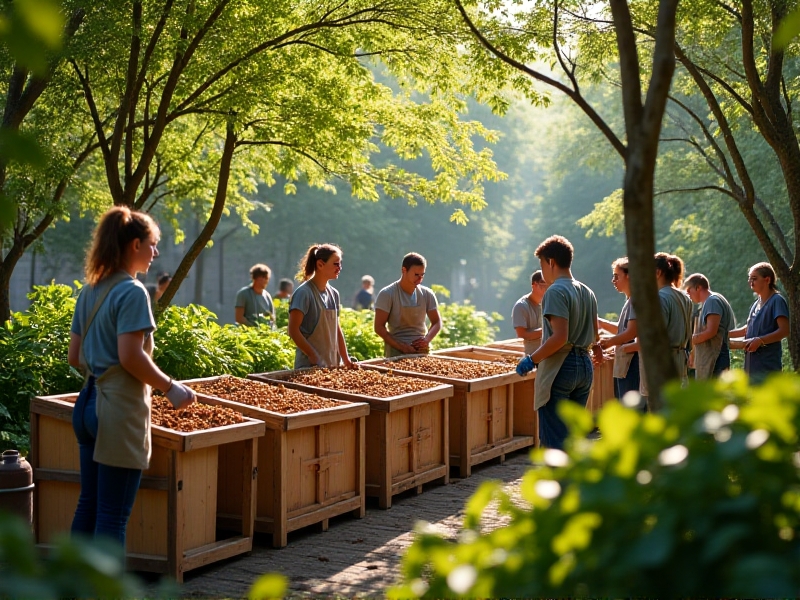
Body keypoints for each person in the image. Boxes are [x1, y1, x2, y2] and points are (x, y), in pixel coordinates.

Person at [67, 206, 195, 550]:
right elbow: (130, 356)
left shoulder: (90, 290)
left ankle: (70, 579)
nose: (156, 252)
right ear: (135, 245)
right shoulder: (133, 292)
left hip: (86, 404)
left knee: (89, 504)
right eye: (152, 244)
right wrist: (170, 387)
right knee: (112, 515)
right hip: (117, 411)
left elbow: (74, 356)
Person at [515, 235, 602, 450]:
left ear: (551, 262)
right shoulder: (588, 292)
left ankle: (557, 472)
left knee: (554, 442)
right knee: (573, 438)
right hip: (585, 366)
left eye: (542, 265)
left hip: (561, 367)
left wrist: (532, 360)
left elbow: (560, 337)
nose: (543, 271)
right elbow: (595, 335)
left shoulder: (555, 291)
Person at [621, 253, 692, 411]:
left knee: (659, 411)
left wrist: (623, 347)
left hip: (660, 364)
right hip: (680, 360)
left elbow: (654, 338)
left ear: (658, 272)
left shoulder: (658, 298)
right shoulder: (684, 297)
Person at [288, 244, 357, 368]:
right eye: (336, 264)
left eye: (340, 264)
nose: (339, 268)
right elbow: (293, 330)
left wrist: (346, 359)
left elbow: (336, 329)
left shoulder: (334, 294)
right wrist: (312, 355)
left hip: (332, 364)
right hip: (309, 366)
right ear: (320, 264)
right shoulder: (304, 293)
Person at [729, 262, 790, 382]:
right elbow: (748, 329)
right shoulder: (755, 304)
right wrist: (725, 334)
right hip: (751, 368)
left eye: (754, 278)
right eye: (749, 279)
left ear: (767, 280)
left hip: (768, 369)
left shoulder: (777, 301)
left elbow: (784, 330)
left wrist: (761, 340)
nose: (750, 282)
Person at [374, 253, 441, 357]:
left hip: (421, 350)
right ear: (404, 270)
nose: (419, 279)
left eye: (422, 275)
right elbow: (379, 327)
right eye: (416, 275)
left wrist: (426, 340)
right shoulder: (387, 294)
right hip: (396, 350)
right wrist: (401, 347)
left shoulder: (427, 294)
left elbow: (437, 322)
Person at [598, 257, 640, 400]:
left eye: (616, 276)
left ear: (629, 276)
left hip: (632, 363)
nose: (613, 281)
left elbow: (631, 333)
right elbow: (623, 330)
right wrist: (602, 323)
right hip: (625, 363)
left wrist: (607, 343)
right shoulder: (630, 300)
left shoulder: (635, 300)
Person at [683, 273, 736, 379]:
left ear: (698, 287)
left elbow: (711, 331)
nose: (688, 294)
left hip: (716, 361)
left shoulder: (712, 301)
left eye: (689, 290)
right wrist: (693, 353)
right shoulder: (708, 303)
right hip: (711, 360)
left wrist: (689, 340)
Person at [511, 270, 547, 355]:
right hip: (532, 355)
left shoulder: (549, 304)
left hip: (548, 354)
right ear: (534, 285)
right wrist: (546, 330)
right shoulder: (521, 306)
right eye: (543, 285)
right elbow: (522, 334)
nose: (547, 288)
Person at [235, 264, 275, 328]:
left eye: (267, 278)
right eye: (263, 277)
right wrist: (253, 327)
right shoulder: (243, 294)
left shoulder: (267, 296)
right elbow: (239, 318)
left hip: (265, 331)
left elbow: (272, 318)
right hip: (247, 331)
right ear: (255, 278)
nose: (265, 280)